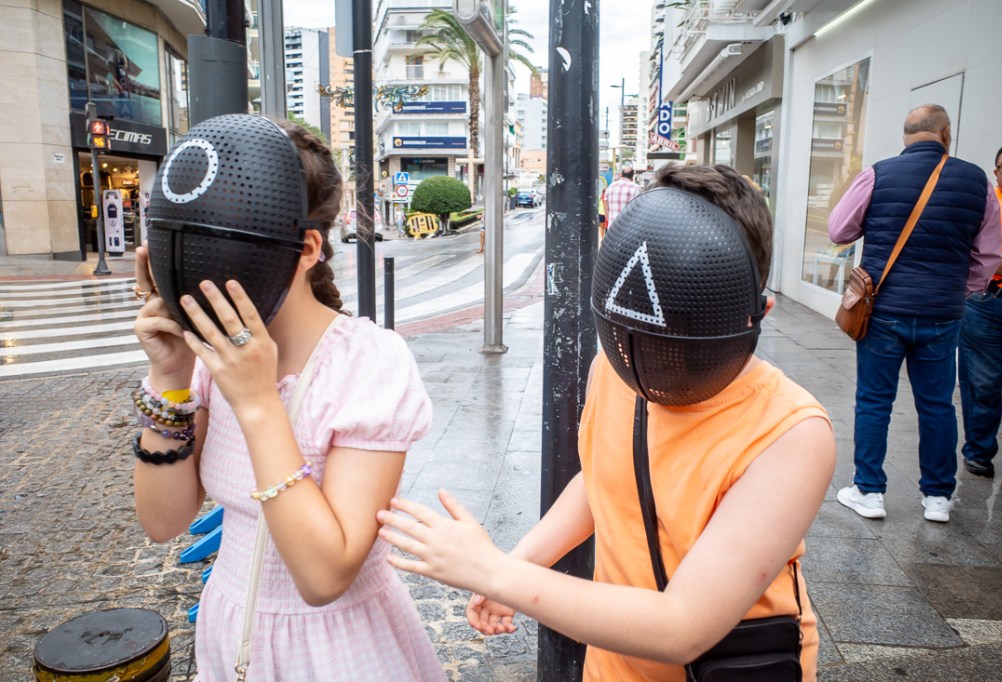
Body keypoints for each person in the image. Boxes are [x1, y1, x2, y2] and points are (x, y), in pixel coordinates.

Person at [378, 163, 836, 681]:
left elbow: (682, 626)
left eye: (683, 327)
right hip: (612, 666)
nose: (653, 362)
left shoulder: (793, 432)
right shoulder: (618, 364)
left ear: (755, 314)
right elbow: (601, 480)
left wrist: (495, 571)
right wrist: (520, 563)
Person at [131, 115, 445, 680]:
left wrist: (257, 402)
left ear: (305, 249)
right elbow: (163, 520)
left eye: (223, 240)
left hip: (340, 650)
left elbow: (325, 576)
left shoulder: (369, 362)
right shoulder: (210, 359)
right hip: (233, 639)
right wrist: (171, 376)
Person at [828, 104, 1002, 523]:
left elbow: (839, 231)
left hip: (884, 311)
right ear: (945, 133)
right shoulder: (978, 182)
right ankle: (938, 498)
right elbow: (988, 256)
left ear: (907, 135)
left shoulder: (877, 174)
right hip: (943, 314)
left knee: (873, 402)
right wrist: (960, 290)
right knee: (938, 405)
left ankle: (869, 491)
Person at [958, 139, 1002, 477]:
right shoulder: (988, 205)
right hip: (990, 306)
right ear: (996, 172)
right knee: (983, 384)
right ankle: (979, 451)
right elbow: (988, 258)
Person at [604, 163, 641, 228]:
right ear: (632, 176)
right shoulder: (636, 188)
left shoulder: (611, 186)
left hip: (612, 228)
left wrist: (609, 218)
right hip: (628, 229)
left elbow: (605, 204)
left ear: (621, 175)